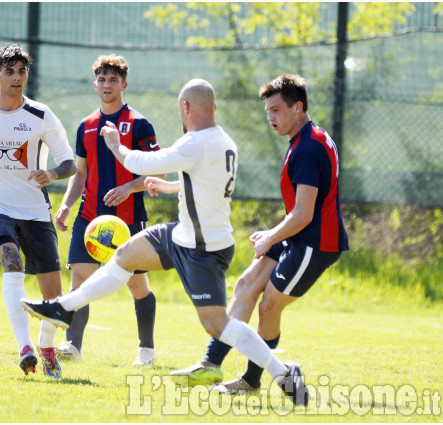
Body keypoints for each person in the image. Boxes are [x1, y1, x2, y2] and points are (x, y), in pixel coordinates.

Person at [22, 78, 309, 406]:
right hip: (182, 233)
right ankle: (64, 307)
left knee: (217, 325)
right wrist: (171, 186)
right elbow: (203, 180)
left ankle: (283, 372)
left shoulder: (196, 142)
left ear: (186, 108)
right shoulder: (223, 140)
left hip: (202, 248)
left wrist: (115, 145)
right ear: (213, 108)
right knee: (125, 255)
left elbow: (139, 164)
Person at [173, 74, 349, 395]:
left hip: (315, 242)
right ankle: (210, 365)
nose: (271, 117)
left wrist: (271, 237)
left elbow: (304, 213)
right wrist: (273, 234)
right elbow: (300, 210)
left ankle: (256, 380)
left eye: (277, 110)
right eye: (268, 111)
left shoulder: (308, 148)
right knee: (246, 284)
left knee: (269, 307)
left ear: (298, 107)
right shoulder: (306, 138)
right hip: (299, 234)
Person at [0, 44, 76, 378]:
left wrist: (52, 173)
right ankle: (24, 347)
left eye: (21, 71)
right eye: (9, 71)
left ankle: (47, 347)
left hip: (35, 211)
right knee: (12, 261)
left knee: (53, 296)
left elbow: (68, 162)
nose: (16, 77)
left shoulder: (40, 115)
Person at [54, 54, 161, 366]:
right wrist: (65, 205)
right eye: (102, 79)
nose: (107, 84)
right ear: (94, 84)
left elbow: (157, 173)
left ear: (124, 84)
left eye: (113, 79)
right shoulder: (85, 126)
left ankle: (146, 350)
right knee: (79, 281)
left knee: (136, 285)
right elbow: (81, 174)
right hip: (89, 218)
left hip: (128, 222)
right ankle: (72, 345)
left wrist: (129, 187)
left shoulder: (140, 124)